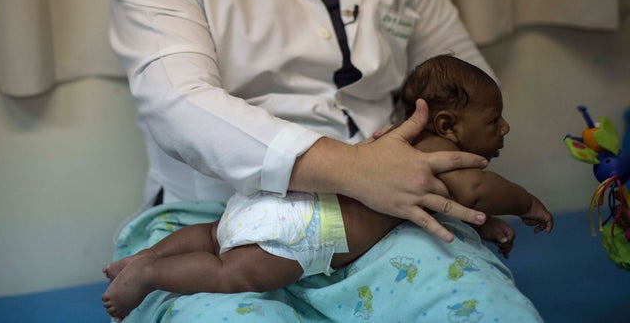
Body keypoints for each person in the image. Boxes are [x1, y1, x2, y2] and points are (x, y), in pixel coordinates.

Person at [108, 0, 546, 321]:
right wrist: (353, 168)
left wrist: (454, 188)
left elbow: (466, 87)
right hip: (216, 219)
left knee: (487, 309)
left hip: (384, 216)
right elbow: (178, 103)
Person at [101, 55, 553, 320]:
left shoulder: (399, 143)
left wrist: (487, 224)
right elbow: (474, 191)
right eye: (494, 121)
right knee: (230, 274)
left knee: (214, 234)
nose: (505, 127)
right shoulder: (444, 161)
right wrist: (526, 203)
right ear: (447, 125)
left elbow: (456, 202)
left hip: (276, 198)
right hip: (308, 232)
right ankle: (153, 275)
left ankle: (152, 254)